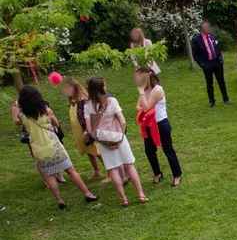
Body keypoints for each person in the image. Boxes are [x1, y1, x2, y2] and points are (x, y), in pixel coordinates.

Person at [11, 86, 98, 209]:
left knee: (49, 176)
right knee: (71, 170)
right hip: (54, 146)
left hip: (38, 149)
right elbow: (56, 124)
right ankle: (87, 193)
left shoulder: (22, 115)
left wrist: (15, 108)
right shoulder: (47, 110)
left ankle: (59, 200)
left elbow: (16, 121)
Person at [85, 77, 147, 207]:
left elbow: (90, 130)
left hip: (103, 141)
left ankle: (123, 199)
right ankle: (141, 194)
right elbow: (122, 121)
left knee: (113, 170)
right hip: (119, 137)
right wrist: (120, 138)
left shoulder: (88, 106)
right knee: (129, 165)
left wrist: (104, 142)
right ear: (101, 87)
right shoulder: (112, 101)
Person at [134, 67, 183, 187]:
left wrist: (142, 96)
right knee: (149, 151)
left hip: (160, 124)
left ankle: (177, 174)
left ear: (146, 76)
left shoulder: (157, 90)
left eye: (138, 76)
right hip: (147, 125)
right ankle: (157, 173)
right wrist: (143, 99)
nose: (136, 79)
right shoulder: (144, 90)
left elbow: (145, 107)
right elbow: (138, 107)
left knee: (168, 149)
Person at [60, 77, 103, 180]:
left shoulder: (83, 100)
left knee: (97, 151)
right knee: (88, 151)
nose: (65, 91)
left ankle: (110, 171)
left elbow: (86, 116)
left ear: (74, 87)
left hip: (86, 130)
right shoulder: (73, 100)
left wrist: (87, 131)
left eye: (68, 88)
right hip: (78, 131)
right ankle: (96, 171)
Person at [191, 20, 230, 107]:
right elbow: (195, 55)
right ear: (202, 29)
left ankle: (226, 99)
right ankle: (212, 101)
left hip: (217, 62)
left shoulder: (212, 36)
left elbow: (218, 47)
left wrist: (220, 58)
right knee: (209, 83)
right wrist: (202, 64)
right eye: (206, 27)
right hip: (207, 64)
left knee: (221, 81)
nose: (208, 28)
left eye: (209, 27)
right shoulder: (196, 40)